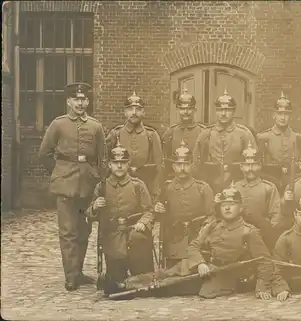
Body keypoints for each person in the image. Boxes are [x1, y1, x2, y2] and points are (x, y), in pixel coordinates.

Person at [38, 82, 106, 291]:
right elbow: (44, 154)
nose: (80, 103)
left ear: (88, 101)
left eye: (84, 99)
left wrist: (97, 180)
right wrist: (59, 173)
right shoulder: (58, 124)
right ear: (68, 101)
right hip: (65, 184)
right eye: (76, 99)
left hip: (87, 184)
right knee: (68, 231)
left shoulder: (95, 126)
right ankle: (70, 276)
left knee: (83, 230)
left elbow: (102, 158)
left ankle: (78, 271)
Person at [87, 142, 155, 295]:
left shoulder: (138, 185)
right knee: (116, 283)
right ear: (110, 165)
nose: (119, 166)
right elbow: (89, 214)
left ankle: (140, 273)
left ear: (128, 164)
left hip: (134, 233)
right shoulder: (102, 187)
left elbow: (149, 211)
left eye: (123, 163)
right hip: (112, 236)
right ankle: (116, 274)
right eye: (115, 163)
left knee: (141, 280)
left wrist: (142, 222)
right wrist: (95, 207)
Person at [184, 184, 275, 299]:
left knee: (200, 291)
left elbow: (264, 261)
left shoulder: (248, 231)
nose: (227, 208)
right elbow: (193, 247)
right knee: (165, 277)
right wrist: (200, 263)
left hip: (229, 276)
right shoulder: (213, 226)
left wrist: (262, 287)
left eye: (232, 204)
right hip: (207, 268)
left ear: (241, 208)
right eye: (224, 205)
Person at [154, 140, 214, 269]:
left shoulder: (203, 188)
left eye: (186, 164)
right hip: (174, 237)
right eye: (178, 164)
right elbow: (159, 214)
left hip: (198, 236)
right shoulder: (167, 187)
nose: (182, 168)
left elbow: (212, 216)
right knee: (173, 273)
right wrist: (158, 209)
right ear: (173, 166)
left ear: (191, 165)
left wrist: (204, 229)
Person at [193, 89, 256, 193]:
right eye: (219, 110)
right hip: (210, 186)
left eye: (227, 110)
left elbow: (253, 164)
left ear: (234, 111)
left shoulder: (244, 134)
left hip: (238, 186)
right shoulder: (206, 134)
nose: (223, 113)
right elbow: (196, 164)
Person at [106, 91, 163, 201]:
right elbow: (106, 161)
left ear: (143, 112)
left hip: (146, 186)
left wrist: (156, 190)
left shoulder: (151, 135)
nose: (134, 112)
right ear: (125, 113)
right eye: (130, 109)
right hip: (120, 188)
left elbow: (159, 166)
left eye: (138, 109)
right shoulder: (116, 133)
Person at [234, 141, 281, 250]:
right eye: (246, 165)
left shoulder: (269, 187)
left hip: (262, 234)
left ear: (260, 165)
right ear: (241, 166)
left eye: (253, 165)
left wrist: (269, 232)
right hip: (237, 234)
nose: (250, 169)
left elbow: (276, 216)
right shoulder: (235, 187)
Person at [257, 92, 301, 194]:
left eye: (286, 114)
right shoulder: (263, 137)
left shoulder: (298, 137)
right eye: (279, 114)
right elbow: (258, 165)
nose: (283, 118)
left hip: (294, 184)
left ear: (290, 116)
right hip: (270, 185)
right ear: (273, 115)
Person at [162, 88, 206, 181]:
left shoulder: (203, 132)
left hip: (197, 179)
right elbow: (166, 158)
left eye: (189, 108)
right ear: (177, 110)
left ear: (195, 110)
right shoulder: (171, 132)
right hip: (175, 179)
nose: (186, 112)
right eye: (182, 109)